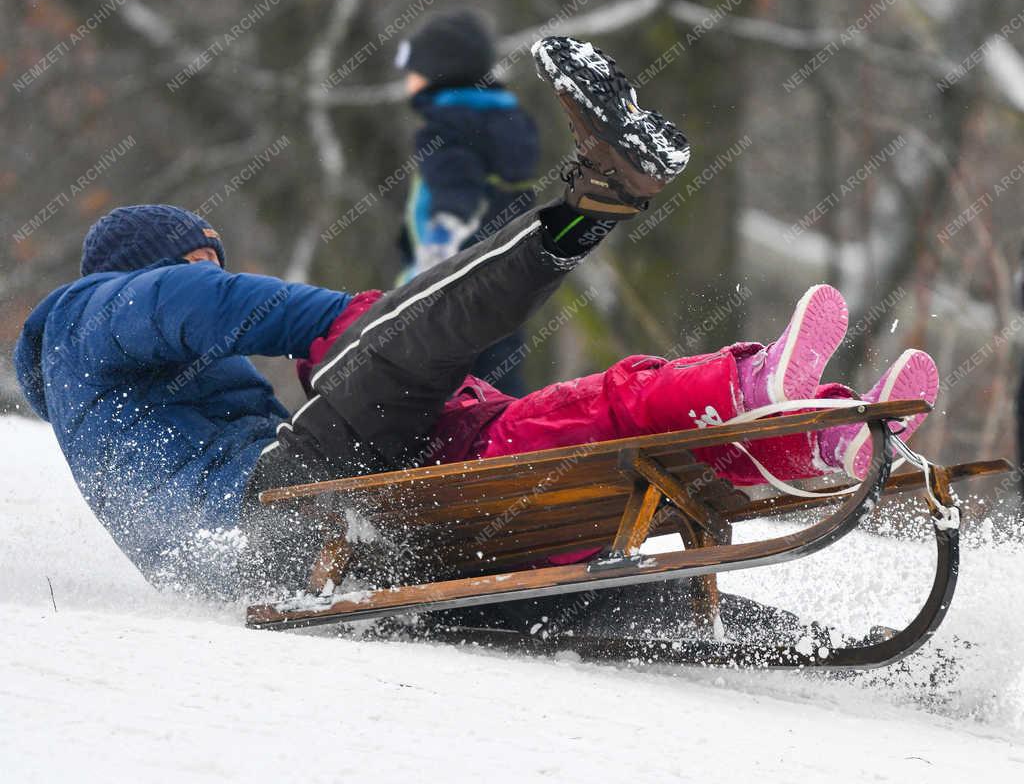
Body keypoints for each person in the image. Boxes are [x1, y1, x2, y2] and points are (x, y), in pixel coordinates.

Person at [15, 36, 937, 602]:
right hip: (270, 519)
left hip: (341, 532)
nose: (209, 273)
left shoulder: (143, 392)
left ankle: (785, 424)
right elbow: (201, 302)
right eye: (197, 254)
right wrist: (348, 322)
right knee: (396, 341)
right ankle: (601, 199)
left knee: (573, 436)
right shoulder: (88, 316)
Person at [393, 9, 540, 395]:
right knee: (500, 369)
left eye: (413, 69)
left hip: (455, 277)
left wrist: (434, 257)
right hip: (511, 272)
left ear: (438, 70)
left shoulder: (445, 126)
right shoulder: (510, 122)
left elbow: (456, 189)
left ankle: (451, 449)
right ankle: (512, 438)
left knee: (437, 378)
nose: (406, 79)